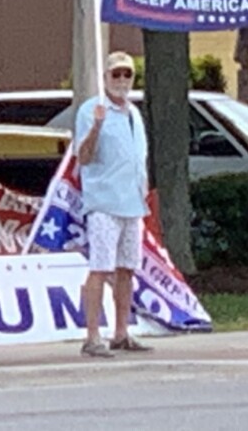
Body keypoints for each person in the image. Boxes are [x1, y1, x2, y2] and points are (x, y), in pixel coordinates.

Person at [74, 51, 155, 357]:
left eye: (126, 75)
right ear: (105, 77)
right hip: (104, 202)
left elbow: (138, 158)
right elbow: (83, 157)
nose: (121, 80)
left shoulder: (133, 114)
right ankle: (92, 335)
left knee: (126, 270)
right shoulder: (91, 110)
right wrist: (96, 126)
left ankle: (121, 332)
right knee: (100, 268)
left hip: (132, 204)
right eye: (116, 74)